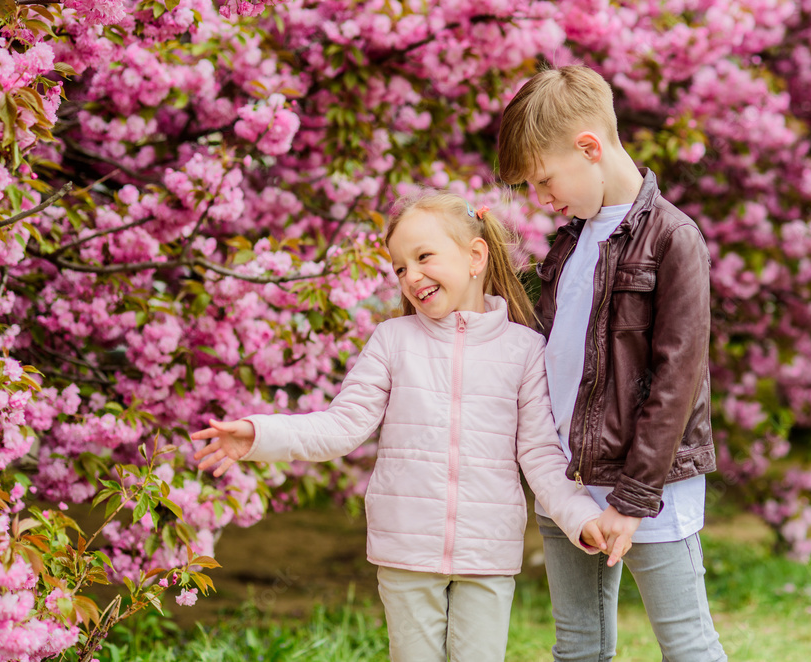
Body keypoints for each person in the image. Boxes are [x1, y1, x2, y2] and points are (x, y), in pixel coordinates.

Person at [190, 191, 607, 662]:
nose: (411, 276)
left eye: (424, 257)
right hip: (405, 550)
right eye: (400, 268)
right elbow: (341, 426)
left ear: (475, 256)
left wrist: (581, 517)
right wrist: (260, 434)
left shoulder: (524, 349)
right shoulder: (392, 341)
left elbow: (539, 454)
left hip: (487, 555)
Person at [497, 64, 728, 661]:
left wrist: (633, 498)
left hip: (649, 483)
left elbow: (677, 381)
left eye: (545, 180)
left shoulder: (675, 239)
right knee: (578, 645)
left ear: (590, 148)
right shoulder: (569, 242)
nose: (543, 200)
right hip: (571, 480)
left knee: (685, 642)